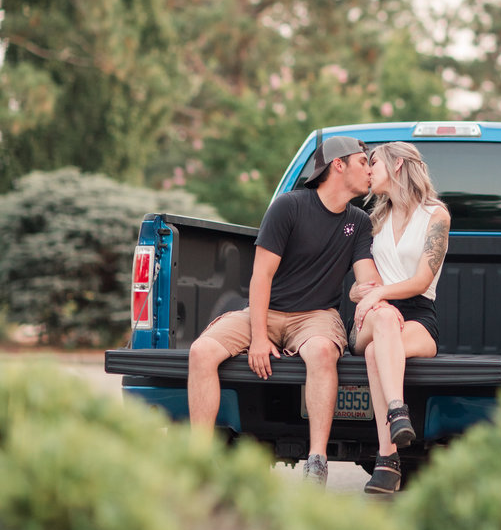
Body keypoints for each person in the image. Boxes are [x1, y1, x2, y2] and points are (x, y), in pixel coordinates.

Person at [187, 135, 380, 486]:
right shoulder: (288, 207)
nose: (370, 169)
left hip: (316, 316)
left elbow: (366, 276)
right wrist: (258, 338)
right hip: (267, 311)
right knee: (201, 352)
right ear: (339, 165)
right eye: (364, 161)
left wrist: (369, 292)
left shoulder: (359, 222)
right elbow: (261, 276)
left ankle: (317, 461)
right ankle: (198, 461)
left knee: (322, 351)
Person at [349, 142, 450, 495]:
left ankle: (388, 463)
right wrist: (370, 294)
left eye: (373, 162)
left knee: (380, 353)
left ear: (398, 165)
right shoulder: (371, 221)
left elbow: (423, 280)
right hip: (373, 317)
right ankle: (397, 411)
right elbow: (359, 287)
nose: (368, 170)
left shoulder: (436, 215)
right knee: (385, 320)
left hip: (420, 313)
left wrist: (379, 292)